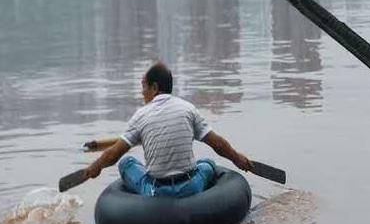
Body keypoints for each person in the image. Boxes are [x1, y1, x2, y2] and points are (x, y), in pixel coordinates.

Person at [84, 62, 252, 197]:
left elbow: (113, 153)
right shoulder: (188, 109)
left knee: (126, 163)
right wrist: (237, 158)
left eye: (144, 87)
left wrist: (96, 166)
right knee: (208, 164)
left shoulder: (140, 116)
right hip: (191, 187)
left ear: (155, 87)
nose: (142, 93)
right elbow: (217, 143)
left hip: (157, 192)